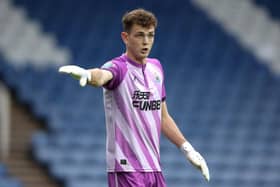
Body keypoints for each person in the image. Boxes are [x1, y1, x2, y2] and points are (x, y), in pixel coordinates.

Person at [59, 8, 209, 187]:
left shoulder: (156, 68)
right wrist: (88, 75)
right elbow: (102, 75)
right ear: (125, 37)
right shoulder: (118, 67)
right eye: (139, 35)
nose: (146, 41)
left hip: (154, 169)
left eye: (150, 35)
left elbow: (163, 117)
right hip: (126, 169)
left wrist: (187, 149)